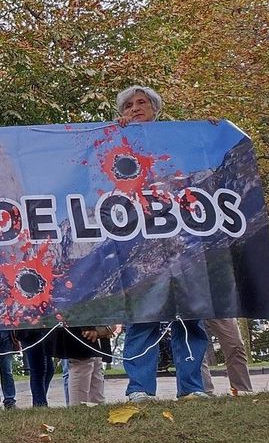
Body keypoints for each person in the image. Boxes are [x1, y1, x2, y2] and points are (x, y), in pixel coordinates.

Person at [115, 85, 211, 401]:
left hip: (183, 244)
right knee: (142, 317)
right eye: (128, 105)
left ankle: (192, 388)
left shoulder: (178, 142)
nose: (135, 108)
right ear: (121, 114)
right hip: (139, 248)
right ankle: (140, 389)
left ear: (156, 109)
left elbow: (200, 166)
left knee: (189, 318)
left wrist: (210, 133)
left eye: (142, 102)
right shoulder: (113, 144)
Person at [50, 326, 114, 405]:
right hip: (79, 326)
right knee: (82, 362)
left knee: (95, 363)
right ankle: (79, 409)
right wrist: (87, 326)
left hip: (87, 324)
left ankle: (96, 408)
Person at [201, 318, 253, 395]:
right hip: (190, 307)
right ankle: (203, 391)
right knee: (194, 350)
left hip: (220, 308)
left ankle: (241, 388)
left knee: (235, 344)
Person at [15, 328, 54, 407]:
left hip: (42, 332)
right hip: (30, 333)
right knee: (38, 370)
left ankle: (40, 400)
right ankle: (40, 404)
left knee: (49, 370)